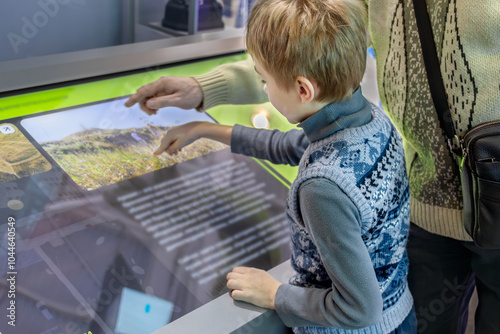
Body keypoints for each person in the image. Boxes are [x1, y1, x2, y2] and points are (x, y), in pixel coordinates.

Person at [125, 0, 500, 333]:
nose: (265, 88)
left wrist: (277, 296)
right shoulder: (373, 122)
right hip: (401, 313)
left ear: (303, 90)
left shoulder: (322, 188)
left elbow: (358, 308)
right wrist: (204, 128)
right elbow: (297, 146)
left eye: (263, 81)